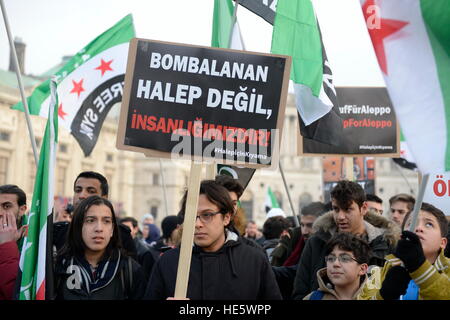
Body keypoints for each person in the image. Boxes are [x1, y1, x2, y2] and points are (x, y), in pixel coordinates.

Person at [144, 180, 282, 300]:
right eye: (192, 215)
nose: (197, 224)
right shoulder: (169, 262)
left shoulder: (254, 260)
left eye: (207, 215)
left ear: (226, 217)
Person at [292, 180, 399, 300]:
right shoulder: (317, 242)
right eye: (336, 209)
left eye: (348, 209)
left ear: (363, 208)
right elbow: (300, 290)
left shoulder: (386, 243)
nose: (340, 217)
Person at [53, 196, 145, 300]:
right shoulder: (59, 265)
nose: (99, 228)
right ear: (78, 227)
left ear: (112, 229)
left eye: (106, 221)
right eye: (90, 220)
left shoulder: (130, 270)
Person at [358, 202, 450, 300]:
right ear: (401, 236)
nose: (418, 228)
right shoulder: (380, 272)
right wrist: (384, 295)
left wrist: (419, 266)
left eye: (429, 224)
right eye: (411, 223)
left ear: (443, 243)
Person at [271, 202, 327, 299]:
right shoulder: (292, 240)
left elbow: (296, 271)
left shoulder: (328, 247)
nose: (304, 231)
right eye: (302, 225)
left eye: (310, 225)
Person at [304, 232, 371, 300]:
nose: (335, 264)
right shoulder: (313, 298)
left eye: (344, 259)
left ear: (362, 269)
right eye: (330, 259)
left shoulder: (375, 297)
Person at [0, 185, 27, 300]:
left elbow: (15, 292)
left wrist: (7, 245)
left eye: (6, 206)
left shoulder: (34, 240)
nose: (0, 212)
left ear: (22, 209)